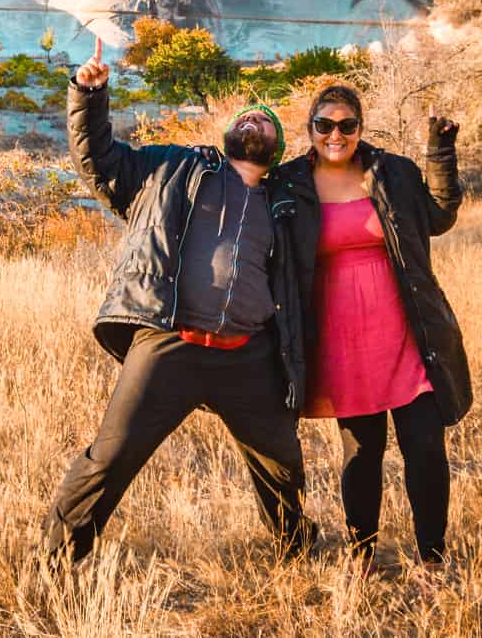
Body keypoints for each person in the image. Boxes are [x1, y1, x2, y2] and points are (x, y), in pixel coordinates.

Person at [41, 38, 316, 564]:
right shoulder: (173, 168)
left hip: (248, 354)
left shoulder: (282, 204)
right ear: (228, 134)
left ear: (275, 150)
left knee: (281, 466)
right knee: (110, 457)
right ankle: (53, 564)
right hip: (169, 341)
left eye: (266, 123)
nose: (253, 123)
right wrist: (89, 95)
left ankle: (297, 554)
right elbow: (99, 161)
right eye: (246, 119)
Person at [273, 83, 471, 566]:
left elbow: (439, 216)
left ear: (360, 128)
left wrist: (440, 153)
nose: (335, 134)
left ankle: (433, 558)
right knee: (362, 456)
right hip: (341, 344)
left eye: (346, 125)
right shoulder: (290, 184)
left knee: (425, 448)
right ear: (311, 129)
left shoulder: (391, 173)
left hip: (407, 332)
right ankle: (362, 555)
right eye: (325, 125)